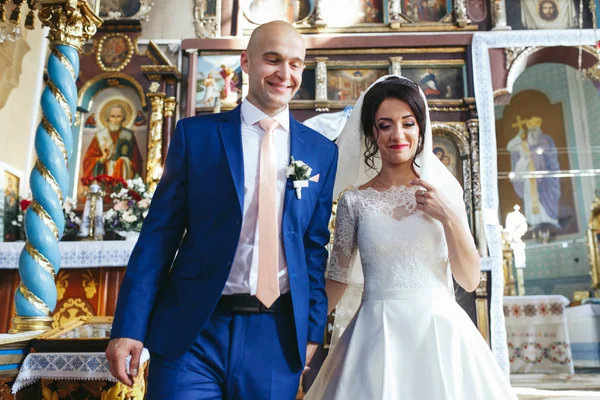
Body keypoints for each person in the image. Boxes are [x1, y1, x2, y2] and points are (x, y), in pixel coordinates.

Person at [106, 21, 339, 400]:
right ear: (246, 62)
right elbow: (158, 238)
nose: (285, 74)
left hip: (275, 337)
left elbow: (314, 249)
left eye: (295, 64)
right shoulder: (196, 136)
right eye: (273, 60)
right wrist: (128, 326)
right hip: (193, 331)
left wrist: (312, 332)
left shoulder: (320, 152)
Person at [305, 76, 517, 399]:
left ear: (421, 128)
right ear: (372, 133)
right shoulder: (354, 202)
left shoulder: (444, 192)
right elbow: (336, 280)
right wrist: (303, 337)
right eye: (385, 125)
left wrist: (447, 215)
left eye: (408, 123)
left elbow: (470, 279)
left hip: (439, 333)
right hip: (374, 335)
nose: (398, 135)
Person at [506, 115, 560, 228]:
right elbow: (510, 147)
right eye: (530, 130)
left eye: (534, 130)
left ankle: (549, 218)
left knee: (545, 196)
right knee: (530, 198)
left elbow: (551, 156)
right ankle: (534, 221)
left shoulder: (545, 140)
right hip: (529, 178)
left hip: (544, 178)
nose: (532, 133)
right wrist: (518, 136)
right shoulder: (524, 144)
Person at [82, 104, 143, 180]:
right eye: (112, 116)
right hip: (104, 178)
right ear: (108, 118)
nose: (115, 120)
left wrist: (124, 162)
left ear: (123, 118)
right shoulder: (99, 136)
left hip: (123, 179)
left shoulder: (129, 136)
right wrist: (102, 159)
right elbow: (88, 160)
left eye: (119, 116)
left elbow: (137, 162)